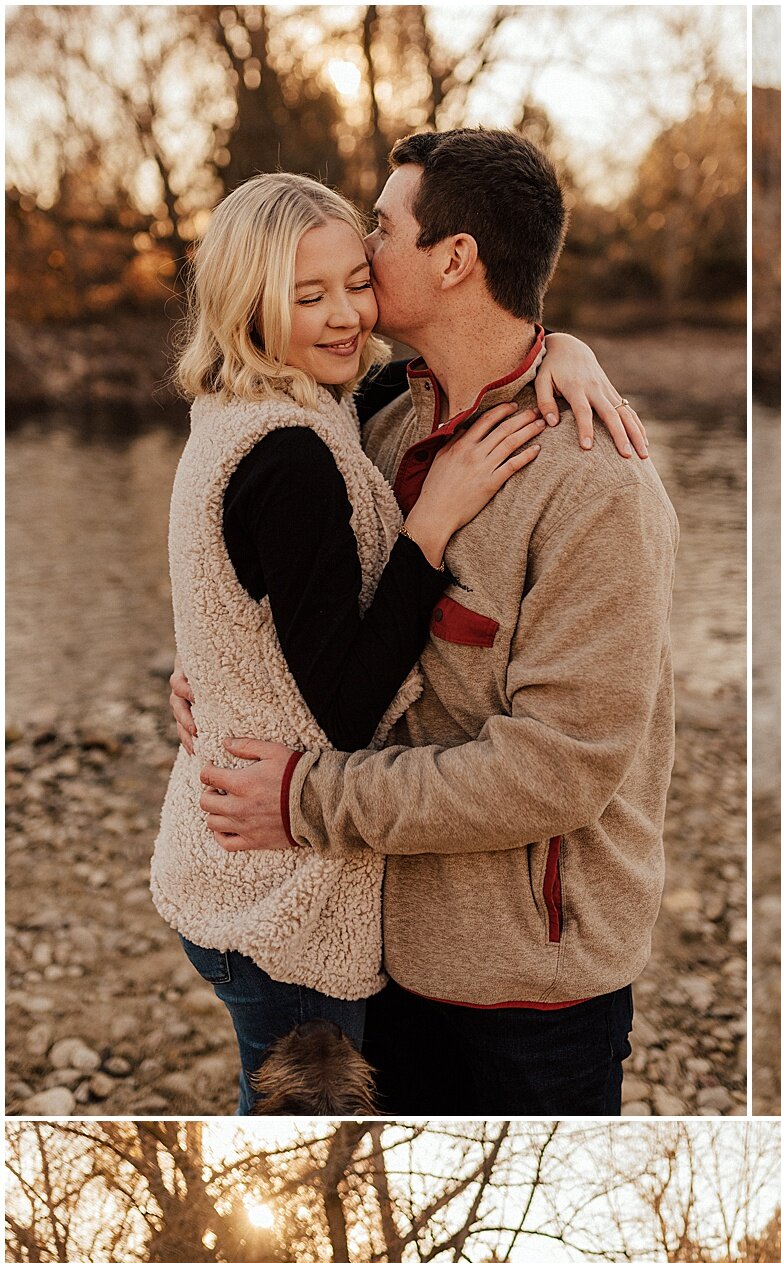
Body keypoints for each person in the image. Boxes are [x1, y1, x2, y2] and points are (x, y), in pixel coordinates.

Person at [184, 127, 679, 1117]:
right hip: (380, 947)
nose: (363, 253)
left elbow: (560, 766)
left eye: (382, 228)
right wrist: (224, 672)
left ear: (454, 259)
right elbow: (278, 572)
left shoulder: (596, 485)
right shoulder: (375, 416)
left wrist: (307, 799)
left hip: (528, 982)